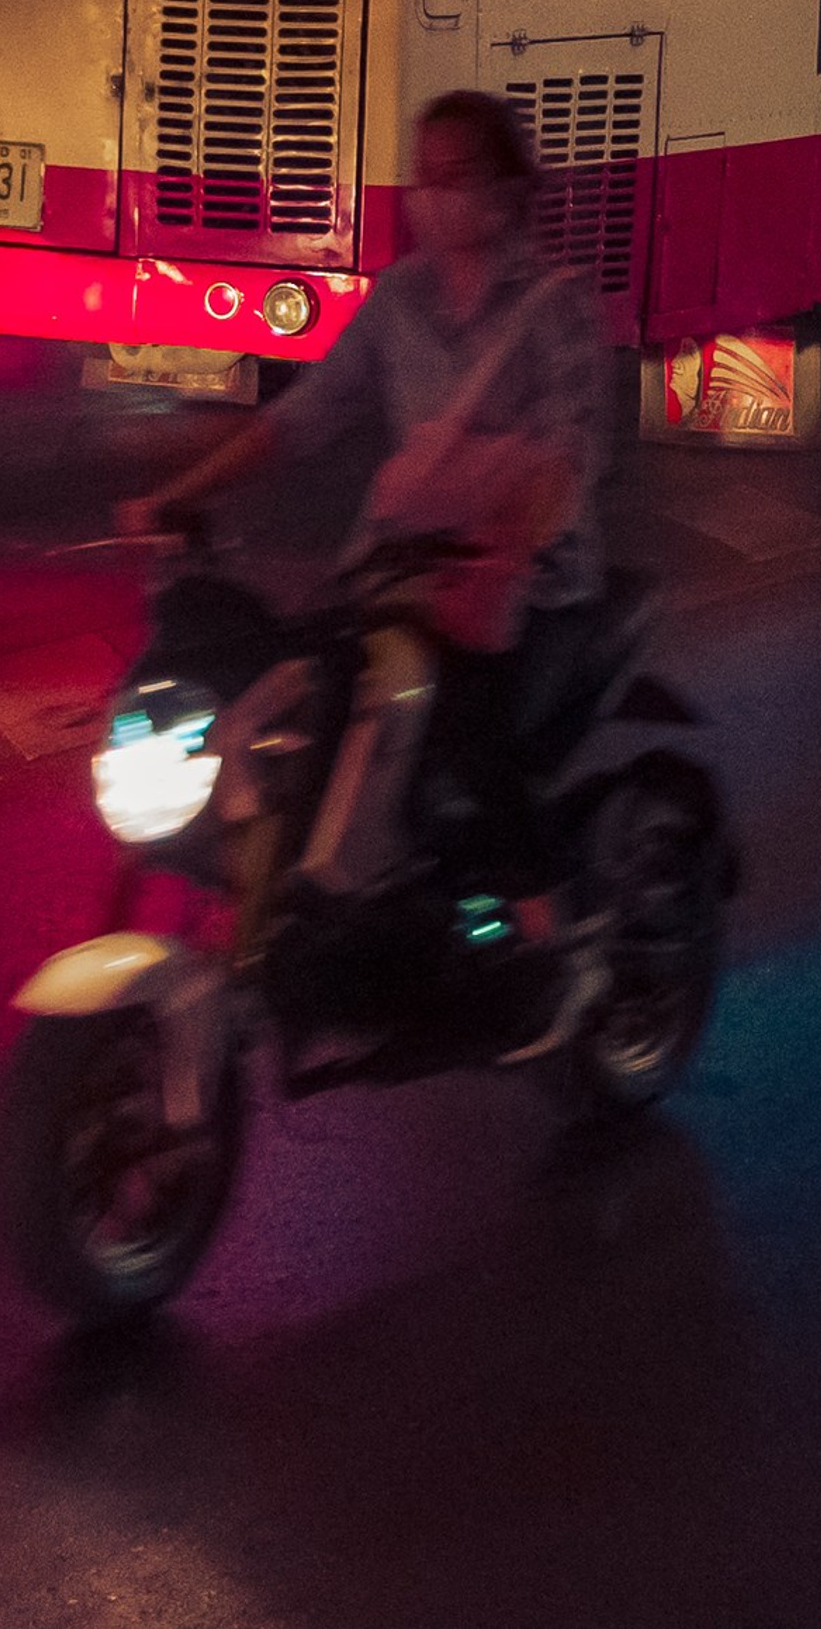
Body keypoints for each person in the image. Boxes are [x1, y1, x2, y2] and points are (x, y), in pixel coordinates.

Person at [122, 88, 617, 1048]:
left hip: (531, 584)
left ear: (510, 191)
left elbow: (569, 457)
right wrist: (186, 493)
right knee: (287, 692)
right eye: (424, 176)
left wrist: (503, 559)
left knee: (468, 733)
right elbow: (299, 422)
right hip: (399, 575)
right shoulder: (400, 301)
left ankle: (556, 953)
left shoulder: (553, 311)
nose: (433, 196)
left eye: (455, 177)